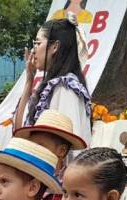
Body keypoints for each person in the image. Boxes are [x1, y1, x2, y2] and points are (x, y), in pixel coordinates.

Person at [14, 17, 92, 151]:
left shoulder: (66, 88)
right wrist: (29, 81)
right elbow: (20, 133)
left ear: (55, 46)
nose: (33, 50)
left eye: (38, 43)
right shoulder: (53, 86)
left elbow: (70, 148)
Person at [14, 109, 86, 200]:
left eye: (40, 146)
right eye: (32, 144)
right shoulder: (25, 177)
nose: (34, 150)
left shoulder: (71, 184)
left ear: (61, 151)